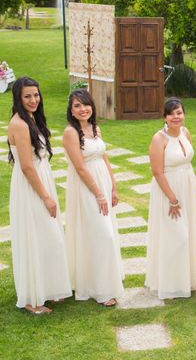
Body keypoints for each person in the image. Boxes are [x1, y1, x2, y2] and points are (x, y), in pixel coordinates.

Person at [7, 76, 71, 314]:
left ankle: (49, 288)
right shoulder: (19, 124)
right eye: (27, 96)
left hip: (42, 178)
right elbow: (26, 166)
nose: (33, 100)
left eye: (36, 95)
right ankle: (31, 299)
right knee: (36, 236)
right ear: (18, 98)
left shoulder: (31, 118)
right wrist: (45, 196)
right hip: (31, 186)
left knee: (49, 236)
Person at [63, 89, 124, 306]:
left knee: (105, 233)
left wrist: (113, 187)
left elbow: (104, 158)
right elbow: (79, 167)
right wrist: (98, 193)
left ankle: (106, 278)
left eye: (86, 104)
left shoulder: (95, 128)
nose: (83, 109)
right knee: (101, 234)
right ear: (71, 110)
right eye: (77, 106)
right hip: (87, 187)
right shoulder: (70, 132)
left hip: (103, 183)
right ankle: (101, 289)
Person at [145, 98, 196, 299]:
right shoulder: (159, 139)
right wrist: (172, 198)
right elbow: (157, 171)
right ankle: (170, 283)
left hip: (187, 185)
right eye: (171, 114)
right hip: (168, 189)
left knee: (189, 232)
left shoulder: (186, 133)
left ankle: (185, 278)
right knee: (176, 235)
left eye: (179, 113)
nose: (176, 117)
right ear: (164, 117)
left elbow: (188, 160)